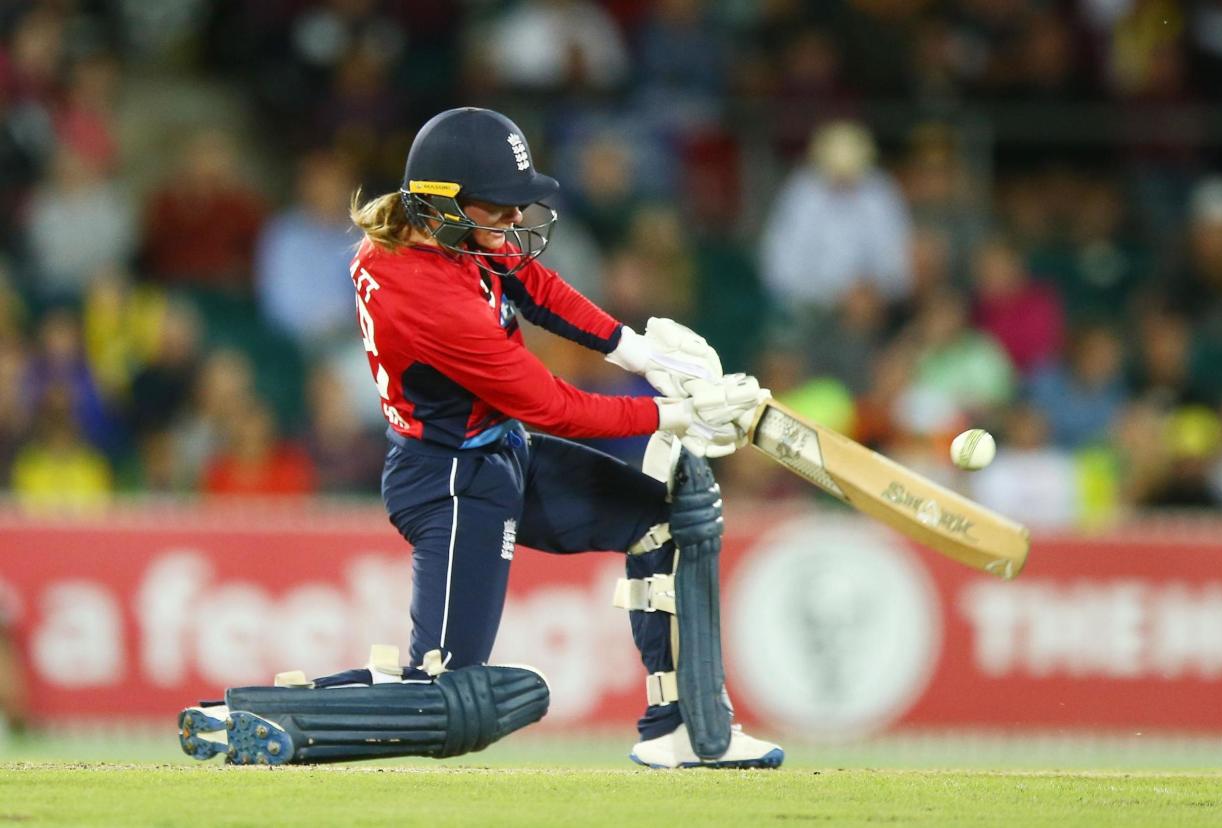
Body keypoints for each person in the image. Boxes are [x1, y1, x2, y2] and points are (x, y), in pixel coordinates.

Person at [177, 107, 782, 770]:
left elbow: (534, 285)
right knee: (446, 694)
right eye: (498, 209)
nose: (514, 222)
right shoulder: (424, 293)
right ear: (442, 207)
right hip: (454, 481)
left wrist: (638, 354)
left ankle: (682, 729)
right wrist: (673, 415)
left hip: (498, 452)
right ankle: (251, 717)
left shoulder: (449, 240)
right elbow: (552, 405)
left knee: (664, 523)